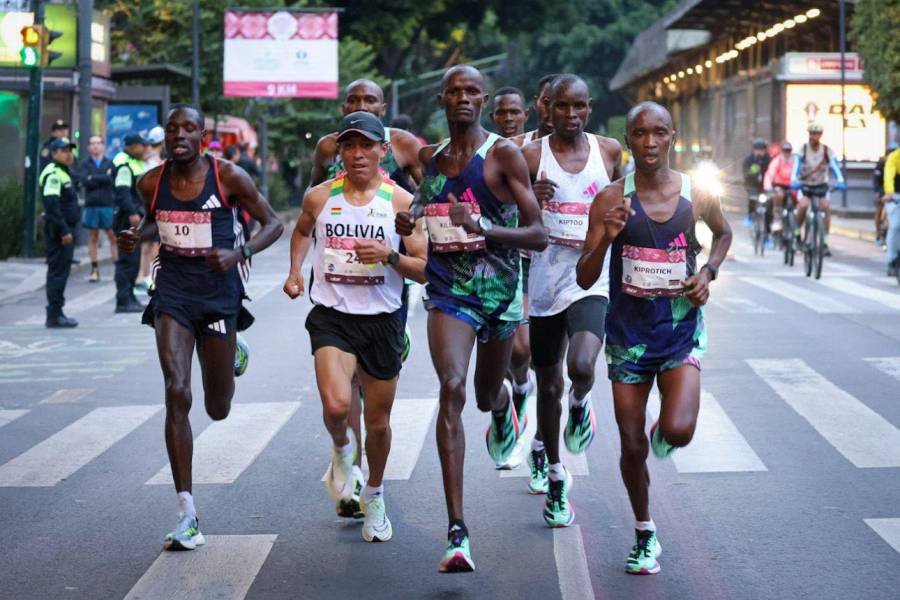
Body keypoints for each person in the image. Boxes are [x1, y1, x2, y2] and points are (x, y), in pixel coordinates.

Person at [395, 65, 547, 572]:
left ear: (482, 99)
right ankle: (457, 530)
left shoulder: (503, 155)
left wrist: (481, 225)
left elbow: (538, 234)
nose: (462, 98)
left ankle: (503, 406)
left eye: (470, 92)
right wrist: (412, 214)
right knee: (453, 387)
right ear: (442, 98)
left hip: (501, 292)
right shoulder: (430, 157)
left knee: (484, 395)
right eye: (453, 91)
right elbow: (430, 195)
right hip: (448, 290)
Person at [117, 104, 283, 551]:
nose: (180, 135)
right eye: (173, 129)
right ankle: (187, 510)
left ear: (203, 136)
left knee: (218, 406)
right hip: (172, 291)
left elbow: (274, 224)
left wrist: (239, 253)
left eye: (189, 128)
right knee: (176, 390)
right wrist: (139, 235)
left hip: (218, 293)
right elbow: (161, 220)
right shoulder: (150, 181)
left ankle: (233, 352)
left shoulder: (228, 177)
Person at [576, 101, 732, 575]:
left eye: (659, 133)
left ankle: (663, 434)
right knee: (629, 444)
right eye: (639, 133)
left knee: (678, 430)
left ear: (672, 137)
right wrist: (606, 235)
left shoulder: (694, 193)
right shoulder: (610, 199)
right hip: (627, 337)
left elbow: (723, 235)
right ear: (628, 140)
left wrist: (707, 271)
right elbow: (584, 278)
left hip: (679, 330)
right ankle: (644, 531)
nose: (649, 143)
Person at [283, 111, 427, 542]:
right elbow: (302, 232)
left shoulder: (400, 201)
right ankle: (343, 452)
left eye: (367, 145)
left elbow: (423, 269)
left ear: (384, 150)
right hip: (333, 316)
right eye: (349, 145)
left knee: (378, 424)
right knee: (336, 406)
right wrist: (294, 272)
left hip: (382, 320)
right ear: (339, 152)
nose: (357, 153)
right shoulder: (320, 196)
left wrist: (388, 256)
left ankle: (376, 495)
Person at [520, 74, 622, 523]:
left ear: (589, 106)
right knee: (548, 385)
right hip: (545, 279)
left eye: (579, 106)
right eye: (562, 106)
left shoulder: (608, 151)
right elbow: (505, 206)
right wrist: (527, 193)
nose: (571, 115)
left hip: (591, 276)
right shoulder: (529, 156)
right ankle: (556, 476)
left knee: (581, 365)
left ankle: (582, 403)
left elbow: (625, 199)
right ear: (548, 108)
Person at [491, 84, 533, 471]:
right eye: (501, 113)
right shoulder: (484, 151)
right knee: (506, 347)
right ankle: (509, 394)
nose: (508, 119)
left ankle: (521, 387)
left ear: (526, 115)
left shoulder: (536, 151)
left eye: (514, 113)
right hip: (494, 261)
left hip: (536, 258)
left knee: (522, 349)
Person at [310, 79, 423, 193]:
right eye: (353, 100)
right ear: (343, 109)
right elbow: (313, 189)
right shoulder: (327, 145)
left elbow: (431, 194)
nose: (361, 107)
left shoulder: (404, 142)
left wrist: (411, 208)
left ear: (383, 109)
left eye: (370, 100)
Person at [39, 138, 80, 328]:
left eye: (70, 150)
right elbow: (52, 205)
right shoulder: (54, 174)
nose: (68, 154)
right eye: (64, 150)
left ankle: (57, 312)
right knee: (58, 272)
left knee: (61, 272)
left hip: (63, 228)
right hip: (58, 230)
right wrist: (64, 230)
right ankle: (54, 315)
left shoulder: (63, 172)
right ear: (54, 153)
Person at [791, 123, 847, 256]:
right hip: (805, 184)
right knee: (803, 205)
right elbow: (796, 166)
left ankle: (825, 242)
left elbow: (834, 166)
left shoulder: (827, 150)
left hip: (821, 185)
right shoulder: (803, 149)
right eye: (811, 133)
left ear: (820, 135)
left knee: (826, 207)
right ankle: (797, 233)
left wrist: (840, 180)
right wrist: (793, 180)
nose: (813, 136)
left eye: (816, 134)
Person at [112, 133, 148, 312]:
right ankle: (123, 300)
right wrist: (132, 213)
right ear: (133, 146)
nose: (145, 149)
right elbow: (123, 192)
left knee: (133, 260)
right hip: (126, 218)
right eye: (142, 146)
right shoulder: (124, 165)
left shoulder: (134, 162)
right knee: (127, 260)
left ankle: (130, 296)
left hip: (134, 218)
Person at [79, 135, 117, 282]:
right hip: (91, 205)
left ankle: (116, 268)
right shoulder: (85, 164)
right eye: (92, 143)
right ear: (89, 147)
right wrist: (103, 177)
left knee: (113, 236)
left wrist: (93, 178)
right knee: (93, 237)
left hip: (108, 204)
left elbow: (111, 180)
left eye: (98, 143)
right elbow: (84, 181)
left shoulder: (110, 163)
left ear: (103, 146)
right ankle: (94, 269)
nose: (95, 146)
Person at [136, 126, 165, 291]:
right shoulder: (153, 161)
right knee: (151, 245)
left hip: (148, 208)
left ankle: (144, 276)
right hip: (151, 208)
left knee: (148, 245)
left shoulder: (149, 159)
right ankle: (145, 277)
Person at [511, 74, 558, 148]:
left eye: (560, 105)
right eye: (546, 103)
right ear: (535, 102)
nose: (551, 110)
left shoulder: (582, 149)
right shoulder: (513, 148)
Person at [763, 142, 796, 237]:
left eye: (789, 151)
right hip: (779, 185)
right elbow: (769, 175)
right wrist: (768, 188)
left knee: (798, 198)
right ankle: (777, 216)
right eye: (785, 150)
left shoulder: (794, 161)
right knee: (779, 195)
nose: (787, 153)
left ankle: (794, 218)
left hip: (792, 186)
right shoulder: (777, 161)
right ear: (782, 151)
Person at [742, 138, 771, 229]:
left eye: (761, 150)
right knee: (752, 199)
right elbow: (745, 174)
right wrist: (752, 172)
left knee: (769, 205)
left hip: (765, 186)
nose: (759, 152)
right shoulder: (748, 160)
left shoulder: (769, 159)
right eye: (757, 150)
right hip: (752, 185)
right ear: (754, 150)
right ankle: (750, 216)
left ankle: (767, 231)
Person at [874, 143, 898, 248]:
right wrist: (878, 192)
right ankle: (878, 234)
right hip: (882, 188)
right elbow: (876, 180)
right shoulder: (881, 163)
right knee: (879, 209)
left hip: (894, 191)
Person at [881, 144, 900, 276]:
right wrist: (889, 193)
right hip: (895, 196)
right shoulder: (894, 157)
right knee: (895, 226)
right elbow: (888, 176)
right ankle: (892, 259)